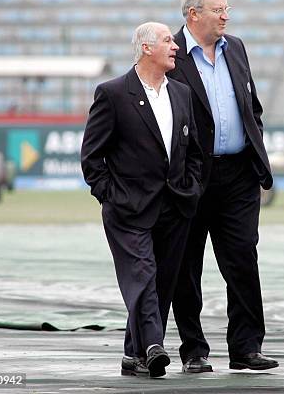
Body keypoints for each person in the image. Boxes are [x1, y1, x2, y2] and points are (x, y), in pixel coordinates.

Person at [167, 0, 277, 373]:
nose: (226, 15)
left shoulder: (238, 48)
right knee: (186, 266)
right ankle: (193, 350)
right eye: (218, 9)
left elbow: (252, 107)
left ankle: (246, 348)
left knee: (243, 260)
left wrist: (256, 150)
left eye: (226, 8)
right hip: (192, 178)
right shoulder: (172, 54)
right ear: (194, 14)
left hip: (238, 177)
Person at [81, 22, 203, 378]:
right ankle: (153, 345)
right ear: (146, 48)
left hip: (175, 205)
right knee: (142, 275)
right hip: (127, 208)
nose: (176, 46)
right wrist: (110, 195)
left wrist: (190, 188)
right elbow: (92, 157)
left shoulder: (181, 93)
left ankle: (133, 353)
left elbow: (193, 150)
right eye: (168, 41)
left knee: (162, 281)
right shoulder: (113, 93)